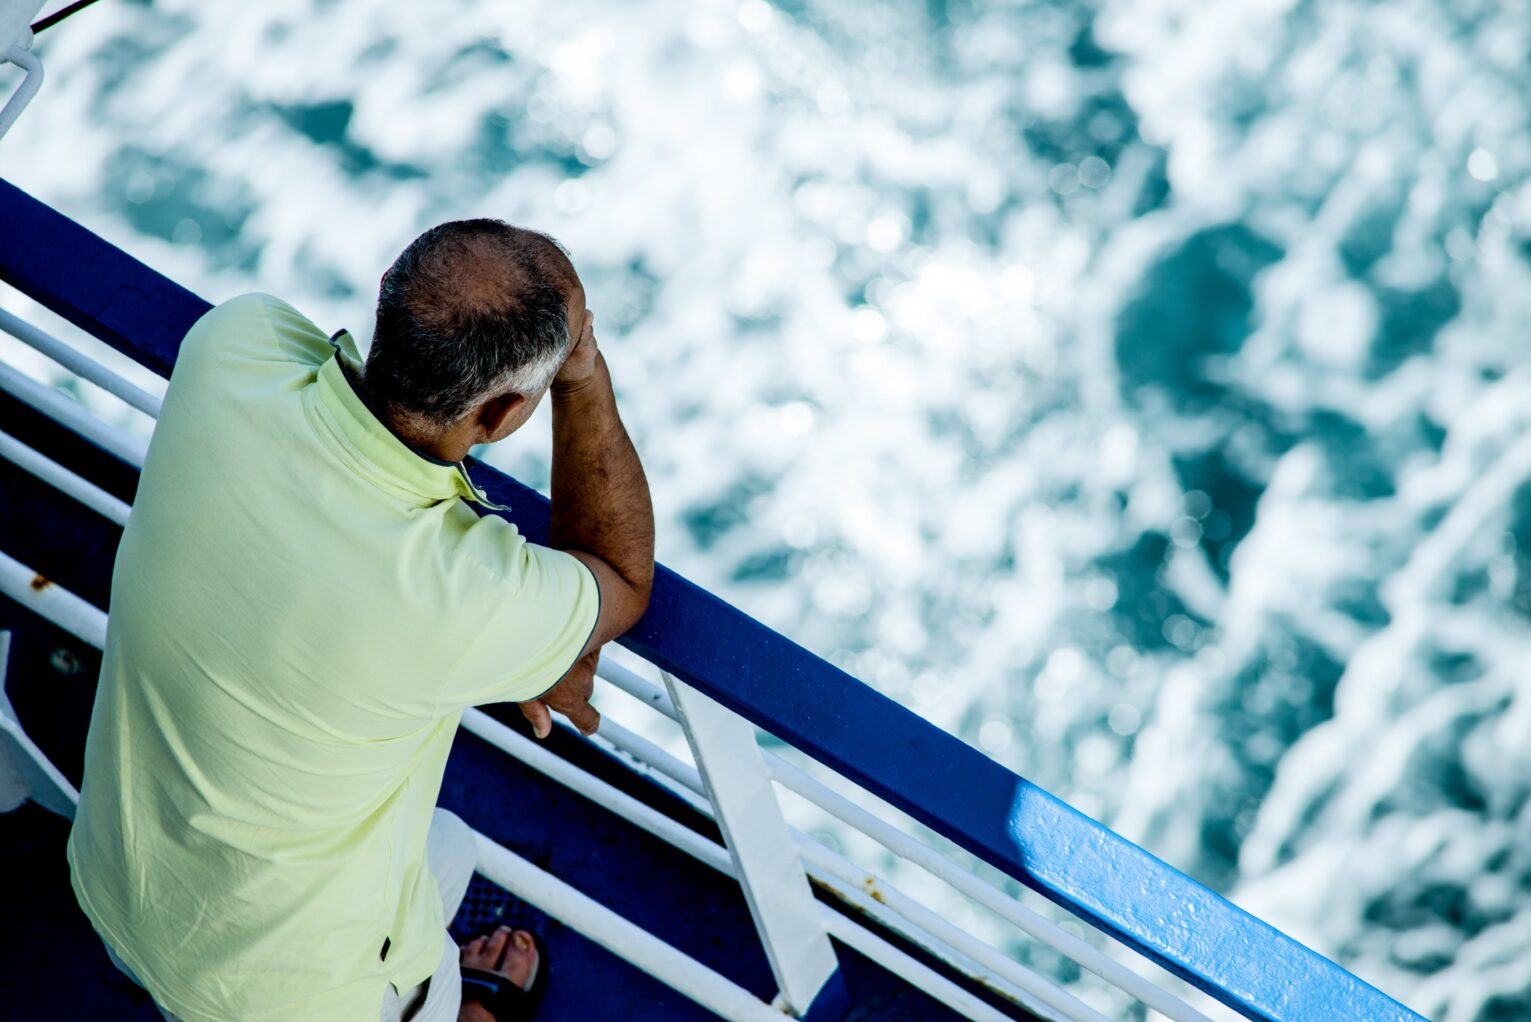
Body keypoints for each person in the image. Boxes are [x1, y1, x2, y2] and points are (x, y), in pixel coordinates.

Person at [65, 218, 655, 1022]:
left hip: (116, 889)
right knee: (449, 868)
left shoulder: (231, 348)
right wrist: (582, 378)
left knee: (445, 848)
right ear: (504, 410)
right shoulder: (465, 598)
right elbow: (619, 579)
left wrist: (522, 635)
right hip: (296, 1003)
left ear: (386, 294)